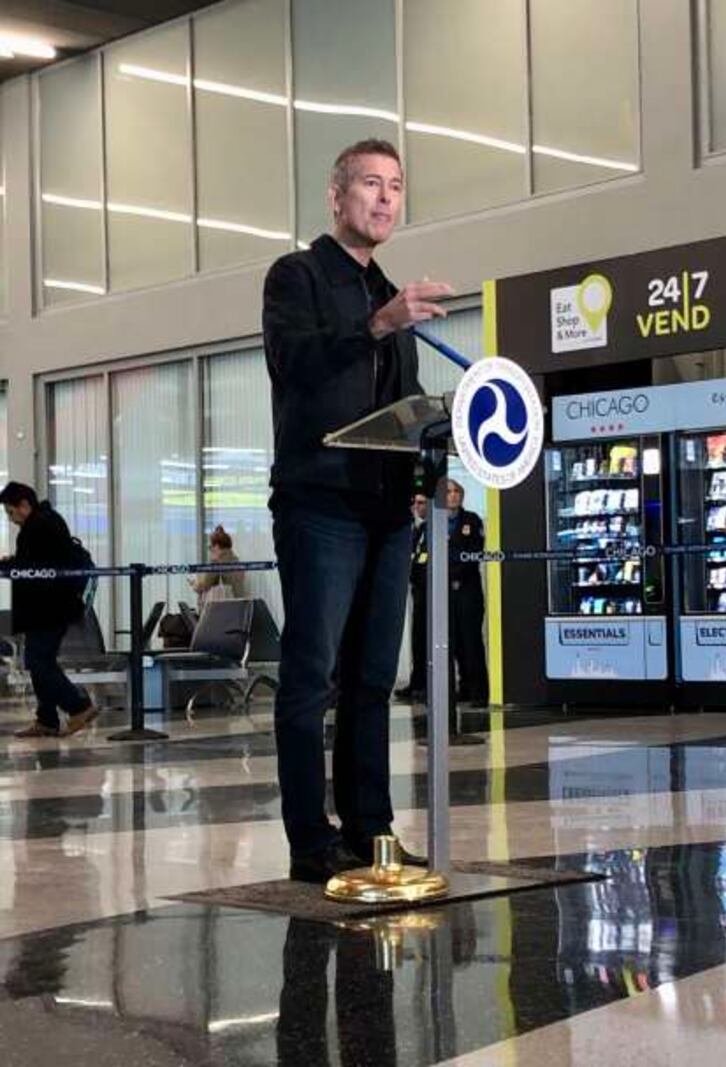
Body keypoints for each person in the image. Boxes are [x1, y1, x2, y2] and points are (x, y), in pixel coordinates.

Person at [262, 138, 453, 882]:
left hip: (384, 509)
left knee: (374, 675)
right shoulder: (297, 275)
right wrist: (378, 323)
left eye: (396, 187)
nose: (384, 198)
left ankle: (372, 829)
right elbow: (294, 362)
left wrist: (420, 466)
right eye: (370, 184)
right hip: (320, 502)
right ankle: (311, 840)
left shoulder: (393, 293)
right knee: (311, 674)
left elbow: (396, 408)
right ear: (336, 196)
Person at [0, 481, 97, 738]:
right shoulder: (48, 520)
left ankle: (79, 707)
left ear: (24, 505)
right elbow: (41, 561)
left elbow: (34, 569)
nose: (11, 519)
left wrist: (10, 566)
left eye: (11, 512)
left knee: (38, 660)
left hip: (48, 608)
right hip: (53, 606)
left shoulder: (37, 526)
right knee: (41, 660)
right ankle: (47, 719)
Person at [447, 479, 489, 707]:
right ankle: (462, 688)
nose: (453, 496)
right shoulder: (436, 523)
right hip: (445, 592)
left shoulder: (471, 520)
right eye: (449, 492)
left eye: (457, 492)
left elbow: (475, 553)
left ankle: (479, 692)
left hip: (467, 590)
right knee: (454, 644)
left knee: (471, 641)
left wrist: (454, 576)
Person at [395, 494, 428, 703]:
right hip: (418, 591)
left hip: (432, 592)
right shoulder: (418, 530)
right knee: (418, 640)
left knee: (429, 639)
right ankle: (418, 682)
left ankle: (428, 684)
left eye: (422, 503)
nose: (417, 507)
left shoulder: (434, 529)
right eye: (415, 503)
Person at [189, 525, 245, 609]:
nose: (210, 550)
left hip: (221, 610)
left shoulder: (216, 563)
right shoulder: (236, 561)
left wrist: (193, 583)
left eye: (210, 547)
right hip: (238, 607)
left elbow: (203, 586)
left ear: (217, 546)